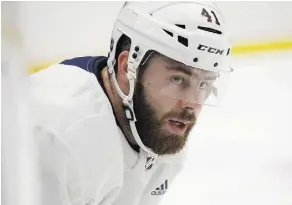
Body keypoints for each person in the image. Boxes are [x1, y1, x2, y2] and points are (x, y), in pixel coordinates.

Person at [29, 1, 232, 205]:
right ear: (128, 68)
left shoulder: (163, 131)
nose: (193, 104)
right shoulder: (56, 137)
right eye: (177, 79)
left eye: (205, 84)